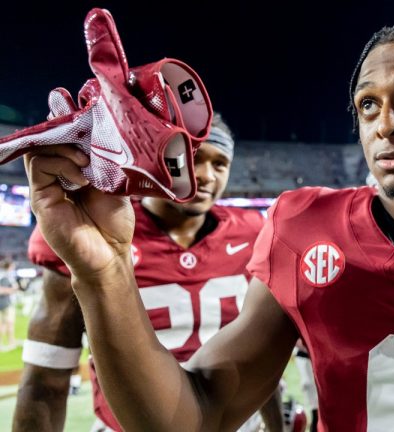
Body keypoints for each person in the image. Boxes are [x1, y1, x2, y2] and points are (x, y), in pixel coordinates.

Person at [24, 22, 394, 431]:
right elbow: (193, 418)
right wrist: (103, 273)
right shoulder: (304, 229)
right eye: (368, 105)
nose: (387, 123)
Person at [13, 114, 284, 432]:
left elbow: (261, 361)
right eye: (192, 159)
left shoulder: (255, 233)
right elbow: (46, 380)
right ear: (160, 159)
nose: (206, 175)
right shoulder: (96, 229)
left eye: (220, 164)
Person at [0, 259, 19, 350]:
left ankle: (8, 342)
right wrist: (13, 290)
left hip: (5, 302)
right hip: (6, 303)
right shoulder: (5, 276)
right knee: (9, 323)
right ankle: (11, 342)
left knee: (4, 324)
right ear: (9, 266)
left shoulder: (4, 275)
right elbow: (1, 290)